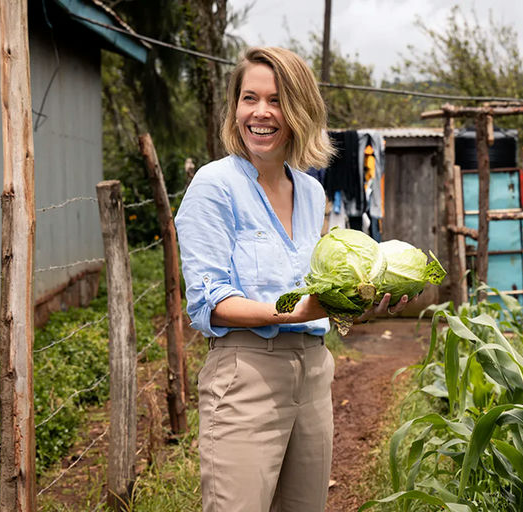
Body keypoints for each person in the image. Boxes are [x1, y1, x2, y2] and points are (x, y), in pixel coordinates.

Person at [174, 46, 414, 512]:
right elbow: (209, 303)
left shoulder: (310, 190)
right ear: (235, 107)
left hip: (313, 371)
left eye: (277, 100)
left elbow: (317, 287)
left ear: (300, 109)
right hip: (246, 373)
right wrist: (291, 312)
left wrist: (358, 303)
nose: (261, 113)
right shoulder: (214, 185)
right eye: (249, 98)